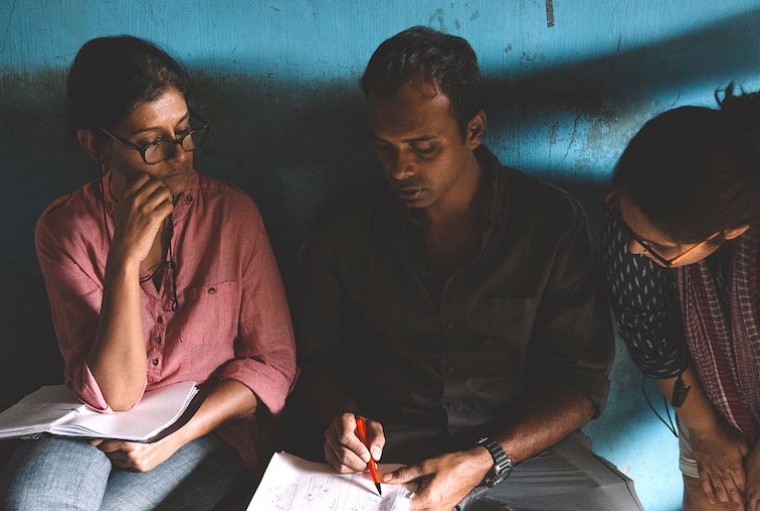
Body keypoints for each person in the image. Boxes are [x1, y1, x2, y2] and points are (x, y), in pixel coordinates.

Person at [295, 26, 643, 511]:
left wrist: (487, 456)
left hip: (519, 453)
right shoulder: (347, 227)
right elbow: (319, 355)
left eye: (423, 147)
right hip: (388, 460)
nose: (399, 169)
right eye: (384, 147)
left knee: (611, 506)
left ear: (473, 130)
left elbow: (581, 381)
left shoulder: (548, 223)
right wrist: (341, 421)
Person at [0, 35, 298, 510]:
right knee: (33, 501)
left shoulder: (233, 215)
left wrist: (172, 438)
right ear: (96, 144)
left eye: (184, 131)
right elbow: (115, 396)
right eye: (151, 143)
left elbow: (272, 366)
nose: (179, 155)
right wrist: (123, 259)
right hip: (95, 422)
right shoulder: (63, 229)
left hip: (205, 428)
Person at [602, 89, 760, 511]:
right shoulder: (633, 207)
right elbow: (649, 333)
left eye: (660, 248)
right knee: (716, 494)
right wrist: (707, 434)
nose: (638, 251)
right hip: (710, 388)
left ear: (732, 231)